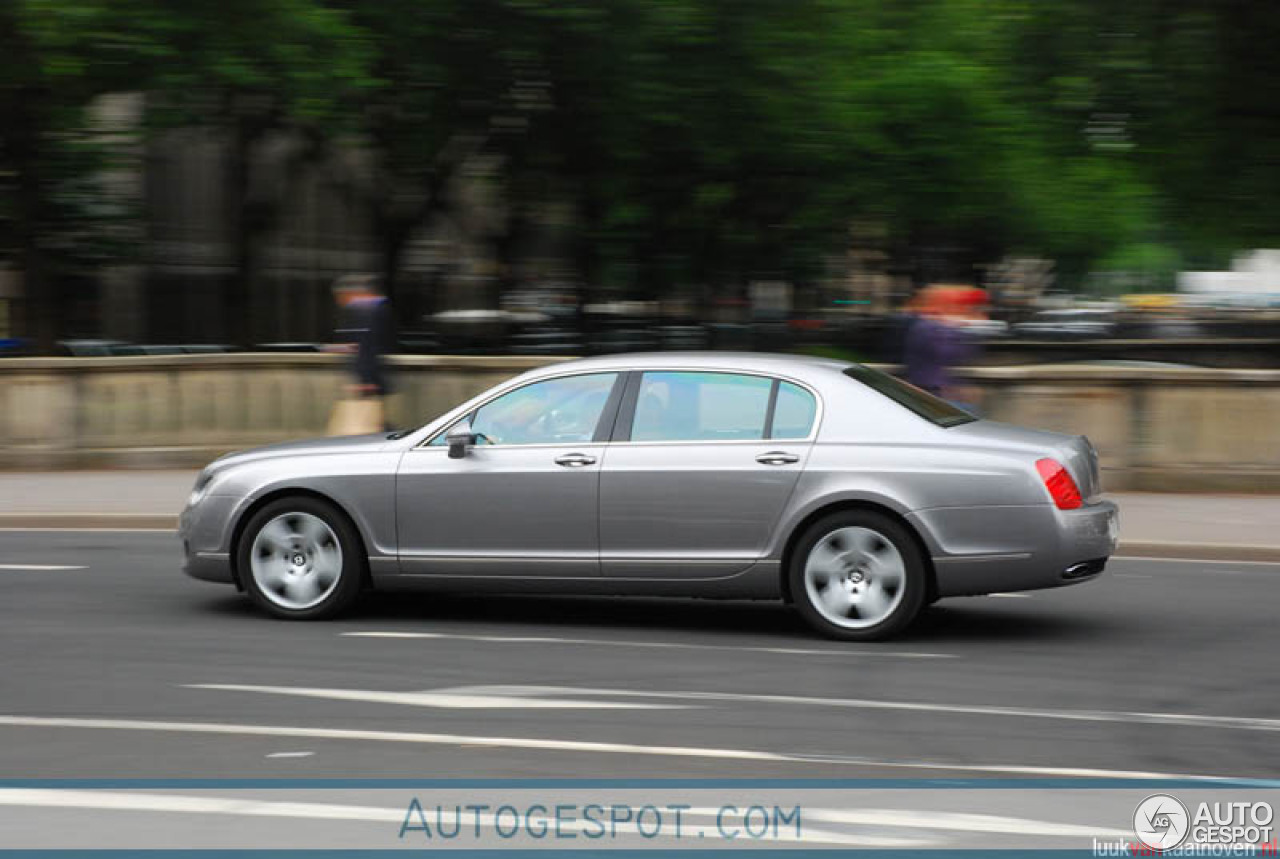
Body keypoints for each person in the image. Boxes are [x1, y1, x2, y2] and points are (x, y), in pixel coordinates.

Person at [331, 274, 394, 430]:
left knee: (369, 423)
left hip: (370, 379)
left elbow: (367, 347)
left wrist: (366, 380)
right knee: (374, 421)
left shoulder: (368, 311)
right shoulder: (375, 308)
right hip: (371, 378)